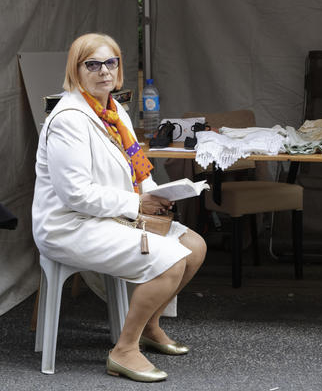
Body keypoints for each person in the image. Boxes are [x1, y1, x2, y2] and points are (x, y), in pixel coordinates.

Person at [32, 33, 206, 382]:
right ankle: (124, 350)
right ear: (76, 70)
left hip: (111, 214)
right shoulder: (68, 119)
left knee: (194, 247)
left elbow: (137, 171)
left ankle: (149, 326)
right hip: (70, 225)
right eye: (93, 64)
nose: (104, 71)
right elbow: (75, 195)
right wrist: (137, 203)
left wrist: (158, 196)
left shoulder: (114, 111)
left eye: (111, 63)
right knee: (171, 260)